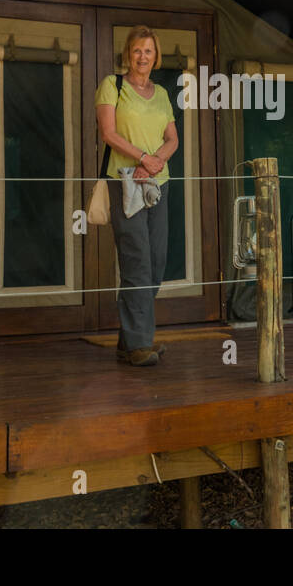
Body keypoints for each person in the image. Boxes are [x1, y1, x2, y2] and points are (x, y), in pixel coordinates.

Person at [95, 25, 179, 366]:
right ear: (127, 54)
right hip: (125, 181)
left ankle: (128, 339)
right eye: (137, 50)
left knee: (156, 262)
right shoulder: (111, 85)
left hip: (159, 182)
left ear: (156, 56)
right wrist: (143, 158)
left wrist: (157, 161)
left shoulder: (161, 93)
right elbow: (109, 133)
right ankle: (139, 345)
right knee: (136, 260)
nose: (142, 56)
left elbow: (173, 138)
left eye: (148, 51)